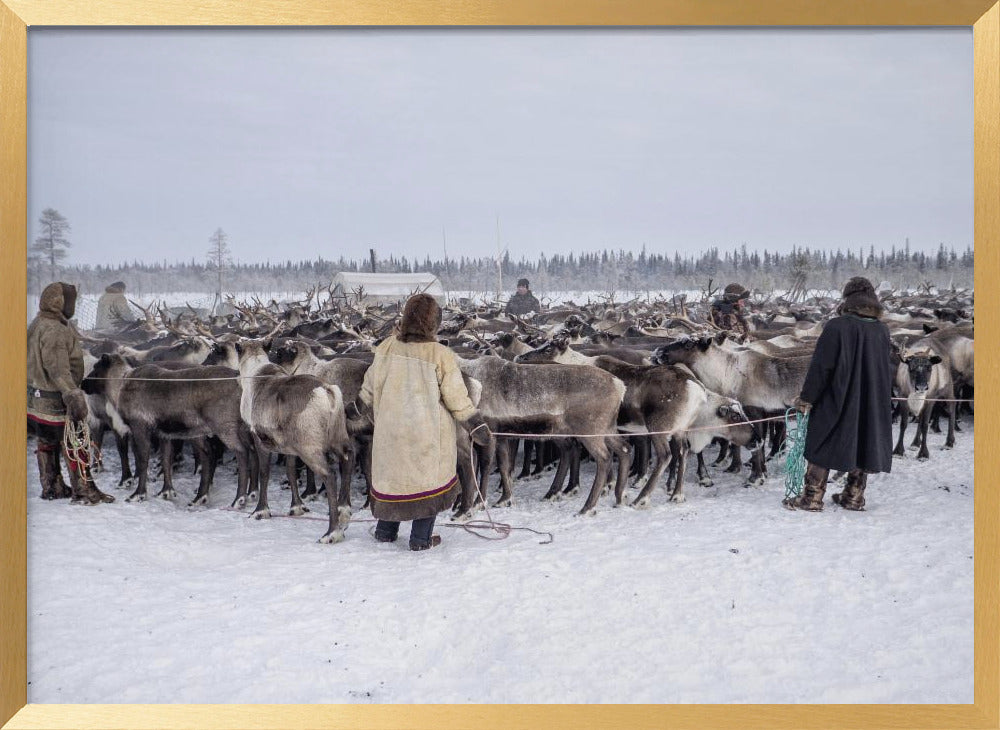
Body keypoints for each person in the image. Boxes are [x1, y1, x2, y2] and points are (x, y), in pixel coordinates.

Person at [347, 293, 492, 551]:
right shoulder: (439, 354)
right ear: (433, 322)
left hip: (390, 434)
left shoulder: (386, 348)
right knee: (427, 483)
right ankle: (420, 539)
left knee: (394, 480)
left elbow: (368, 387)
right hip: (426, 437)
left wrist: (354, 409)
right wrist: (476, 425)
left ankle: (385, 531)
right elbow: (457, 398)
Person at [783, 276, 893, 512]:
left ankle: (812, 498)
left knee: (822, 440)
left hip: (838, 396)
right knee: (864, 441)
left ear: (848, 299)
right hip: (871, 399)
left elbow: (822, 367)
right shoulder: (882, 330)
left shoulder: (837, 327)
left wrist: (807, 397)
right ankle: (853, 496)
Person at [27, 282, 114, 504]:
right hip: (57, 399)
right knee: (76, 443)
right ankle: (84, 491)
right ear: (61, 303)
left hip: (37, 399)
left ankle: (52, 485)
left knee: (46, 441)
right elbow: (57, 368)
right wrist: (72, 394)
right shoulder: (55, 329)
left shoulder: (38, 322)